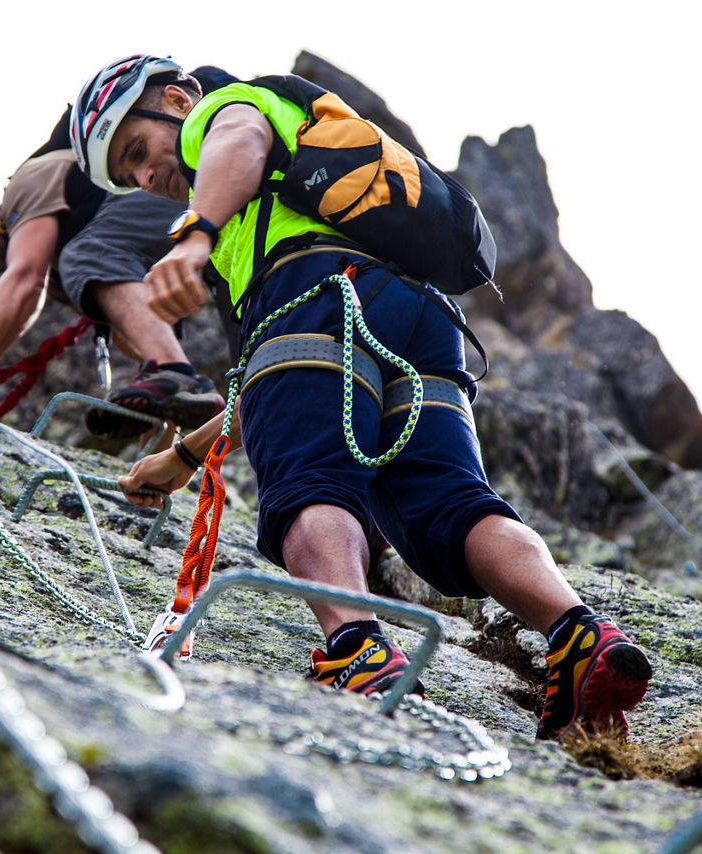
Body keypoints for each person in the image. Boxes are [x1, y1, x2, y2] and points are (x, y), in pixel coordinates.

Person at [69, 54, 654, 740]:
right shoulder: (300, 153)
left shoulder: (218, 115)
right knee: (452, 506)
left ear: (173, 97)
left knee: (308, 485)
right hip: (415, 317)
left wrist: (196, 235)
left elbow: (239, 142)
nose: (145, 177)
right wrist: (186, 457)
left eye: (138, 149)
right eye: (129, 174)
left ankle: (356, 651)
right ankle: (580, 637)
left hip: (311, 295)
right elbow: (276, 387)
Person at [0, 107, 223, 437]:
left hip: (187, 192)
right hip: (200, 234)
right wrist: (164, 429)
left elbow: (27, 278)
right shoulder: (65, 271)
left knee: (84, 257)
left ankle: (176, 376)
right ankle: (177, 384)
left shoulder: (25, 186)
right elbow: (142, 327)